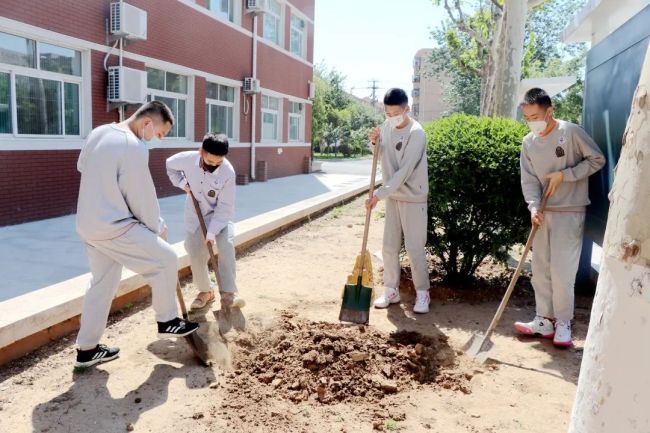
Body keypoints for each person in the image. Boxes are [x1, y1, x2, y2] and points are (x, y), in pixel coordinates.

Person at [74, 101, 199, 368]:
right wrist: (157, 228)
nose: (158, 141)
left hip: (88, 223)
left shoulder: (99, 132)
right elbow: (141, 197)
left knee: (102, 283)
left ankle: (87, 349)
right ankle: (167, 320)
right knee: (165, 258)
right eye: (160, 134)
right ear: (146, 124)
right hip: (114, 225)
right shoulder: (132, 146)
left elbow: (83, 166)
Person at [516, 87, 606, 347]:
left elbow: (596, 159)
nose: (532, 122)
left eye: (535, 116)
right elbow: (529, 179)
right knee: (540, 269)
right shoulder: (528, 143)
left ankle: (563, 322)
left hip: (570, 210)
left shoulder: (571, 132)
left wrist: (565, 175)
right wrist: (533, 207)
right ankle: (543, 319)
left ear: (549, 111)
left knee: (562, 271)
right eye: (527, 118)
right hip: (543, 214)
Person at [366, 88, 431, 314]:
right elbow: (381, 153)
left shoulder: (417, 133)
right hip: (393, 196)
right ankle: (391, 289)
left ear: (407, 109)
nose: (392, 117)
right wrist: (375, 143)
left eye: (396, 112)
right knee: (389, 246)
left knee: (414, 248)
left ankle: (422, 293)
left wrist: (378, 194)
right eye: (387, 113)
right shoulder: (387, 127)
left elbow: (404, 172)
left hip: (413, 197)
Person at [166, 133, 245, 311]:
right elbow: (169, 165)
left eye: (219, 163)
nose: (214, 166)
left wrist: (212, 232)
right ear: (201, 152)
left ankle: (228, 294)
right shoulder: (187, 159)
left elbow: (225, 206)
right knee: (195, 252)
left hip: (221, 216)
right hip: (195, 215)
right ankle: (205, 292)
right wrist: (181, 183)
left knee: (226, 245)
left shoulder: (228, 172)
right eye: (210, 162)